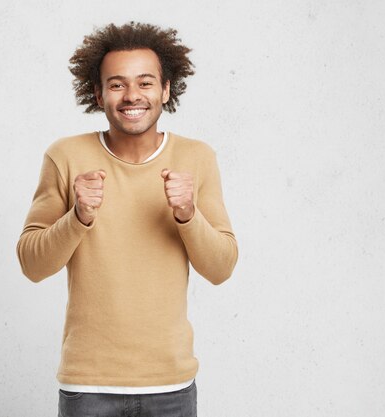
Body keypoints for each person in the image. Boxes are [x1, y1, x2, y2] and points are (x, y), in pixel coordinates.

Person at [16, 22, 238, 417]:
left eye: (145, 82)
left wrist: (188, 216)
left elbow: (221, 268)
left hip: (171, 384)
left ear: (166, 89)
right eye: (116, 84)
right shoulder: (65, 157)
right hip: (88, 386)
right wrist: (78, 216)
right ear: (97, 93)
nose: (132, 95)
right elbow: (32, 265)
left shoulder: (197, 158)